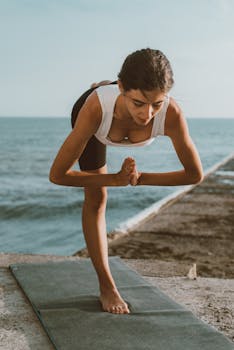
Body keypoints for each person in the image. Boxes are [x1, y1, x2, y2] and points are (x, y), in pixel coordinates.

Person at [49, 48, 203, 315]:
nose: (147, 115)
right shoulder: (94, 108)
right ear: (123, 89)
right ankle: (107, 287)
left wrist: (139, 179)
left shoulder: (171, 112)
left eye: (157, 103)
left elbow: (194, 174)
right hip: (98, 122)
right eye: (138, 103)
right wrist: (114, 180)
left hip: (116, 95)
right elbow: (58, 175)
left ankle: (110, 87)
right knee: (97, 197)